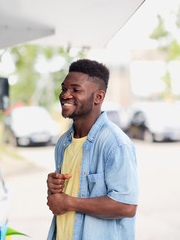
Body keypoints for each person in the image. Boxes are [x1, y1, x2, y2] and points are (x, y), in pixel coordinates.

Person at [46, 59, 139, 240]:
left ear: (99, 97)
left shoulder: (116, 144)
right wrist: (53, 187)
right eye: (64, 88)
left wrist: (68, 202)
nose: (65, 95)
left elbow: (127, 206)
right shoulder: (63, 142)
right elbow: (64, 199)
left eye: (76, 90)